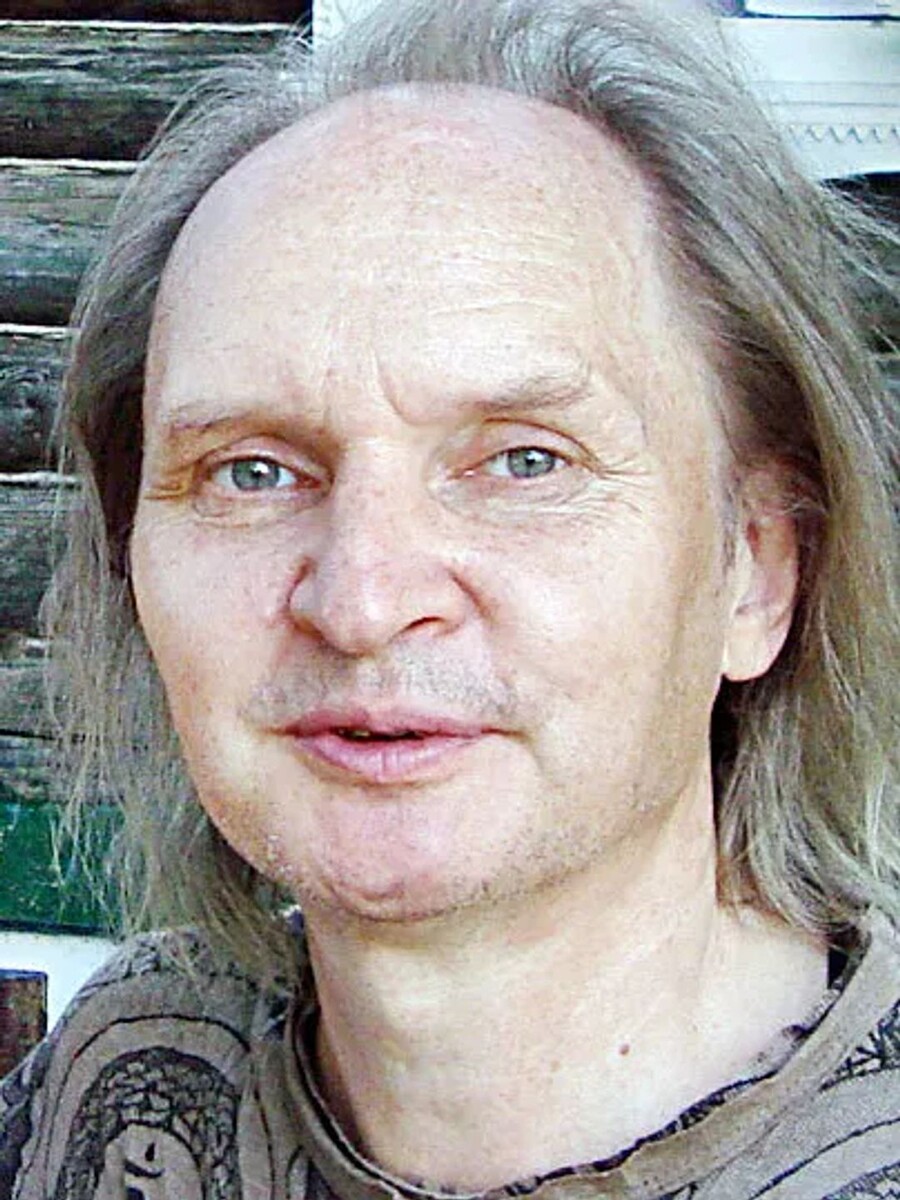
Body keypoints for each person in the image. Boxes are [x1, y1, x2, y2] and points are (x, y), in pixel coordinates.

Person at [2, 0, 898, 1195]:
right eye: (252, 472)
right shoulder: (117, 1086)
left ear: (757, 569)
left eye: (525, 462)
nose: (364, 602)